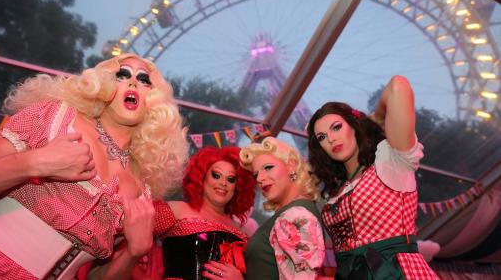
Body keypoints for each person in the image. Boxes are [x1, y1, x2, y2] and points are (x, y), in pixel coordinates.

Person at [0, 53, 189, 280]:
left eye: (144, 80)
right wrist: (34, 163)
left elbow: (97, 277)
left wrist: (135, 252)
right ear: (102, 84)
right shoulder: (57, 117)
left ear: (154, 100)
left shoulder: (141, 189)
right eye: (122, 75)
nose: (133, 82)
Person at [306, 75, 439, 279]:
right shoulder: (339, 189)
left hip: (395, 273)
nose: (331, 139)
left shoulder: (390, 162)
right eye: (322, 137)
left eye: (336, 127)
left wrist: (373, 119)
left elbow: (398, 86)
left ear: (353, 126)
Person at [152, 146, 256, 280]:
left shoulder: (245, 232)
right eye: (216, 175)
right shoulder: (177, 210)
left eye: (231, 179)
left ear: (238, 187)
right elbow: (130, 232)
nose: (223, 183)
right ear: (201, 178)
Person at [239, 136, 325, 280]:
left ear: (291, 165)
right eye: (256, 175)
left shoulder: (296, 215)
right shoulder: (295, 211)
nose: (260, 178)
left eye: (268, 167)